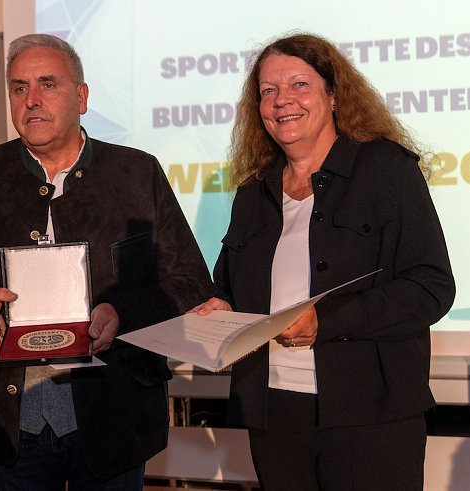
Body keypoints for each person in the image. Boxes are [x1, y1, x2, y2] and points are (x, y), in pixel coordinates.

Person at [0, 33, 213, 490]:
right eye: (18, 87)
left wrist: (122, 313)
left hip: (114, 415)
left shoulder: (135, 172)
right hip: (9, 420)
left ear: (82, 96)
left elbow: (188, 281)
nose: (32, 100)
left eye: (48, 84)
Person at [192, 33, 455, 490]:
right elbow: (230, 286)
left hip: (369, 416)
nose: (281, 101)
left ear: (333, 96)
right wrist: (220, 308)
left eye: (299, 85)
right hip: (273, 413)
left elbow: (431, 286)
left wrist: (326, 321)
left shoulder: (386, 170)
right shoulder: (253, 193)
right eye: (268, 91)